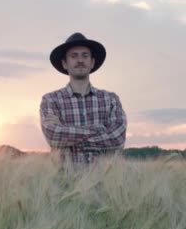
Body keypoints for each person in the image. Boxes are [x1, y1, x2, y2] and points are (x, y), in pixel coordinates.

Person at [40, 32, 127, 167]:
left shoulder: (110, 99)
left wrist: (65, 130)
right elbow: (53, 136)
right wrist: (101, 129)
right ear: (64, 63)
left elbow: (118, 138)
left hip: (106, 183)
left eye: (85, 55)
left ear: (92, 62)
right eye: (74, 56)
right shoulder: (51, 100)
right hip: (63, 183)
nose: (80, 60)